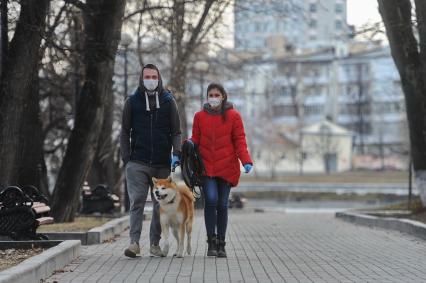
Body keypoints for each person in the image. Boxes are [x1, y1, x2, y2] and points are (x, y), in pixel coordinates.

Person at [120, 63, 182, 258]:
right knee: (137, 201)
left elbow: (176, 131)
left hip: (162, 163)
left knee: (159, 204)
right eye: (147, 76)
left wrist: (176, 153)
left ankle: (154, 244)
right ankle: (134, 243)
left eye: (154, 77)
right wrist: (126, 158)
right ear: (141, 78)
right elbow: (124, 131)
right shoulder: (132, 101)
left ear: (159, 78)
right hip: (137, 161)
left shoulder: (168, 101)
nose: (151, 80)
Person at [190, 83, 253, 258]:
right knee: (211, 200)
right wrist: (186, 146)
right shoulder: (199, 116)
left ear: (223, 96)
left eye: (217, 95)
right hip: (206, 167)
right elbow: (195, 138)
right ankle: (211, 241)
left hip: (227, 167)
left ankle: (221, 243)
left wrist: (246, 161)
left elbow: (240, 140)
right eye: (211, 94)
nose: (214, 98)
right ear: (207, 96)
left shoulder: (233, 116)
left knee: (222, 204)